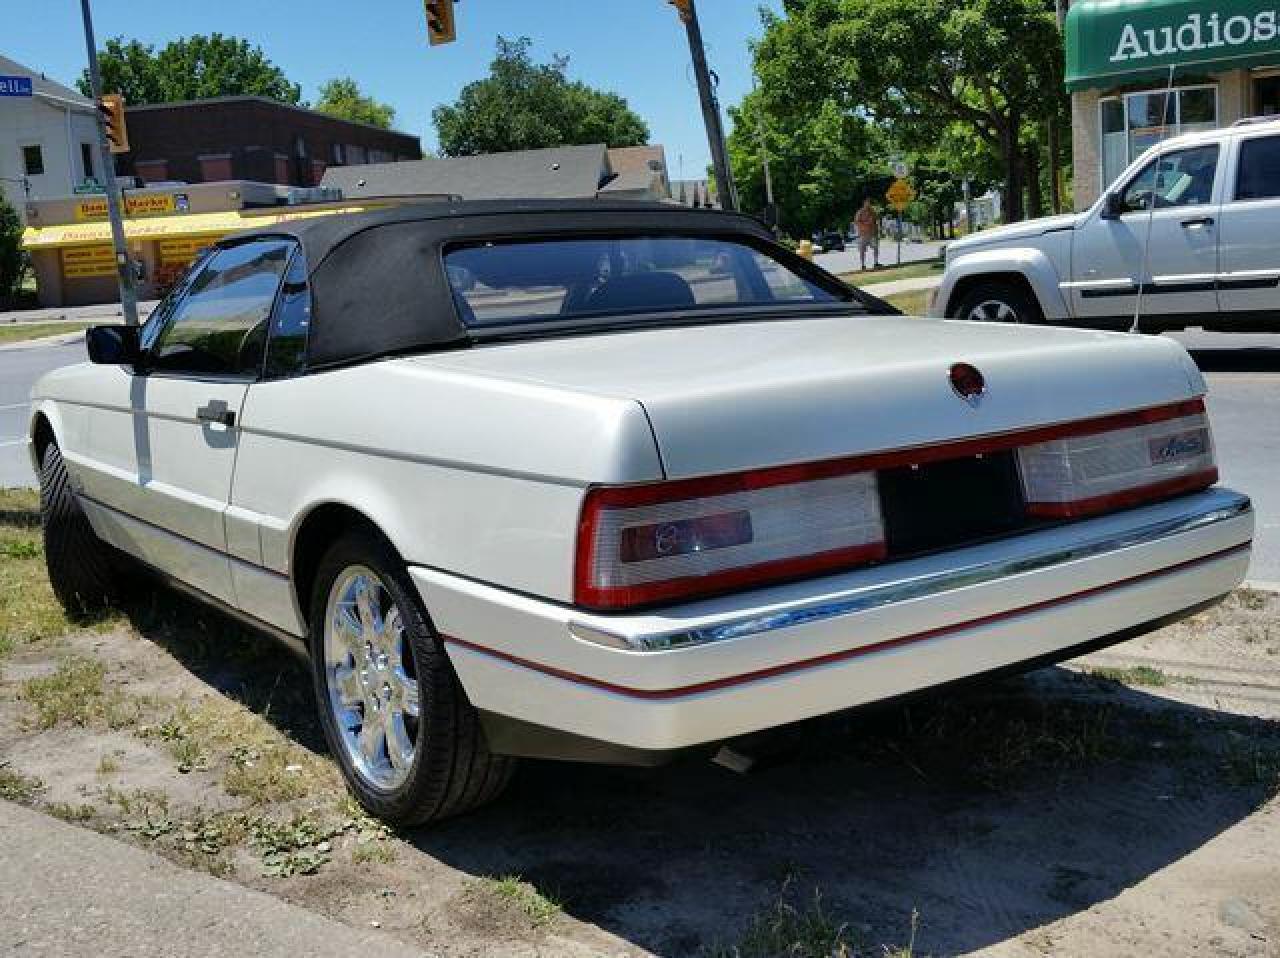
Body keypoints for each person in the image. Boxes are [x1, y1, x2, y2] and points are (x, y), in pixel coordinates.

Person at [854, 198, 881, 270]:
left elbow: (876, 221)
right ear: (864, 203)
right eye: (867, 202)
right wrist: (866, 224)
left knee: (876, 248)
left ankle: (876, 263)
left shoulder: (873, 212)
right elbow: (857, 222)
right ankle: (863, 265)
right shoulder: (860, 212)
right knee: (862, 250)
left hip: (872, 234)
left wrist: (877, 230)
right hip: (863, 234)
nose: (868, 203)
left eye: (869, 202)